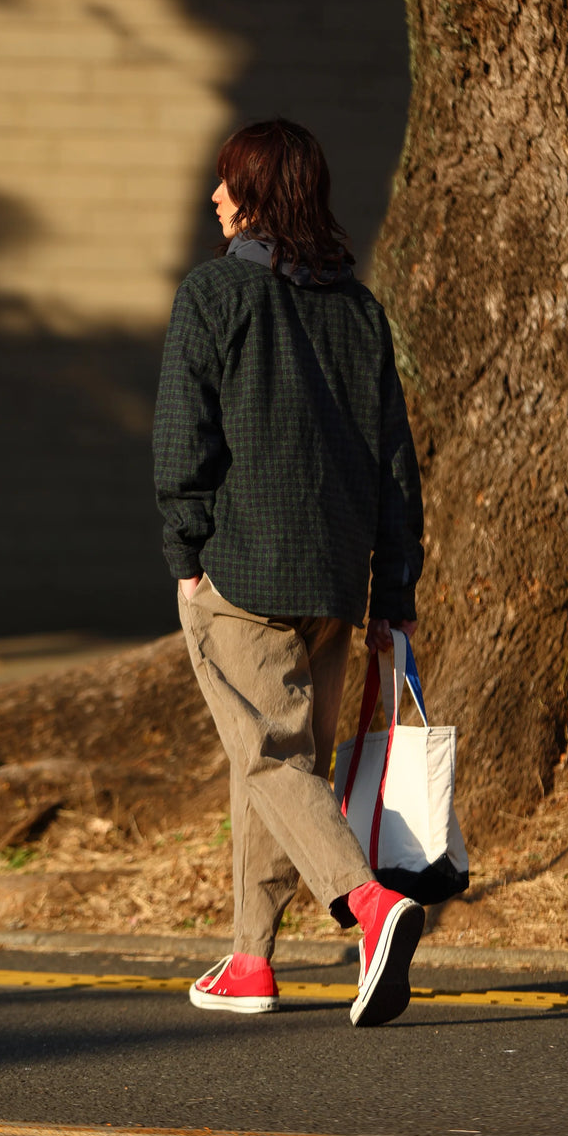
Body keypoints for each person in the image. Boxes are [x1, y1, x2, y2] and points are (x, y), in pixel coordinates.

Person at [152, 118, 425, 1028]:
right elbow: (395, 465)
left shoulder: (213, 293)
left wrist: (185, 555)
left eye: (227, 182)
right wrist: (394, 592)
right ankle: (250, 959)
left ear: (257, 196)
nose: (214, 197)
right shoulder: (360, 311)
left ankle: (371, 905)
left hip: (243, 570)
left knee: (268, 756)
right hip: (336, 579)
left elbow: (182, 438)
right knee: (280, 763)